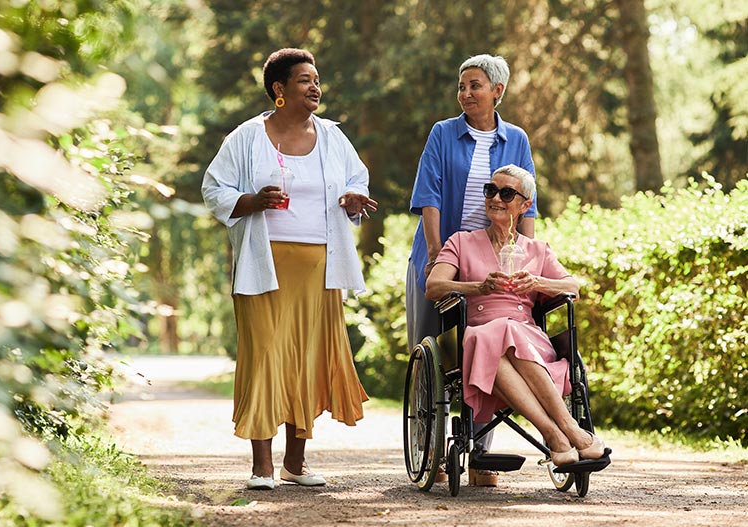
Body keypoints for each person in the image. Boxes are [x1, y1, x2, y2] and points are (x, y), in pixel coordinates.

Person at [201, 48, 378, 491]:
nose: (315, 87)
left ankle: (295, 465)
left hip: (319, 268)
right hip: (263, 268)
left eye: (317, 79)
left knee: (306, 359)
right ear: (279, 90)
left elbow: (357, 178)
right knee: (264, 358)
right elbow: (212, 188)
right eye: (304, 80)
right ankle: (262, 466)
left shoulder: (333, 137)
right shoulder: (246, 137)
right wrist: (251, 201)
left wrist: (355, 198)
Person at [406, 53, 536, 486]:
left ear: (497, 91)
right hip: (444, 256)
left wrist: (529, 256)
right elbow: (430, 196)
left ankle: (481, 455)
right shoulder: (443, 134)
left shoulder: (516, 138)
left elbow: (527, 202)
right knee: (434, 354)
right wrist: (433, 258)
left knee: (493, 345)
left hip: (495, 262)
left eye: (475, 86)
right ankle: (431, 452)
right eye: (462, 86)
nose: (465, 94)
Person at [425, 164, 608, 468]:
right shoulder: (460, 241)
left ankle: (560, 436)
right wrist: (479, 287)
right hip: (474, 333)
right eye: (491, 191)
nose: (495, 198)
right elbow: (434, 286)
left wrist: (538, 283)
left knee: (506, 333)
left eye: (506, 193)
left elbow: (572, 286)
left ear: (525, 205)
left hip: (527, 338)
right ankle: (562, 432)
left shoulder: (537, 249)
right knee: (491, 335)